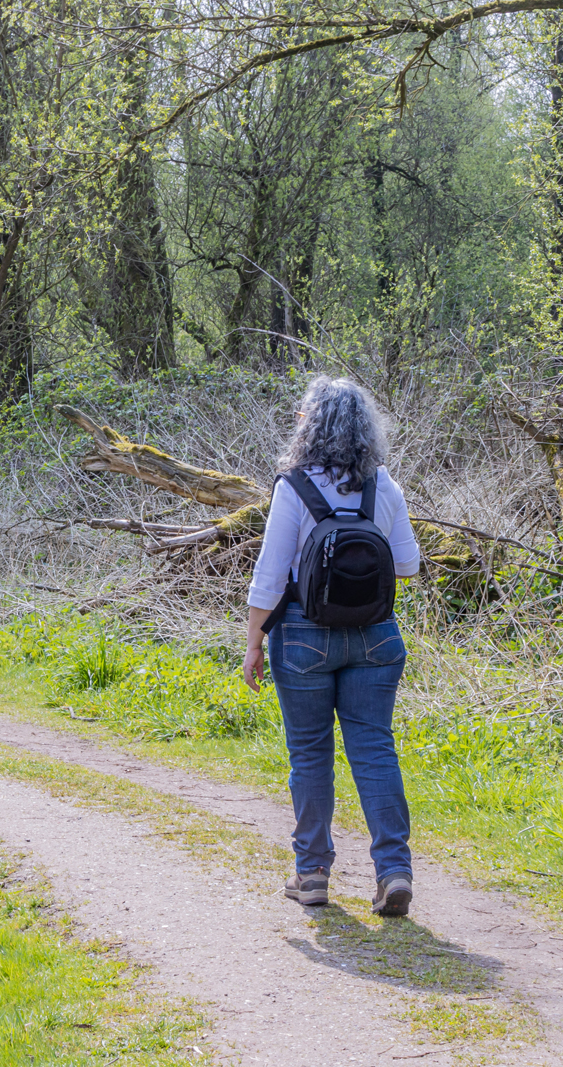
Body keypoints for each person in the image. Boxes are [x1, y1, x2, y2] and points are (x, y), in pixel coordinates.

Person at [242, 377, 422, 916]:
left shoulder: (294, 486)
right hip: (376, 638)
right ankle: (394, 872)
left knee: (311, 754)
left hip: (302, 638)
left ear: (310, 424)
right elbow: (409, 566)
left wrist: (253, 641)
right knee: (374, 750)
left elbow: (270, 577)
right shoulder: (383, 486)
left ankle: (313, 872)